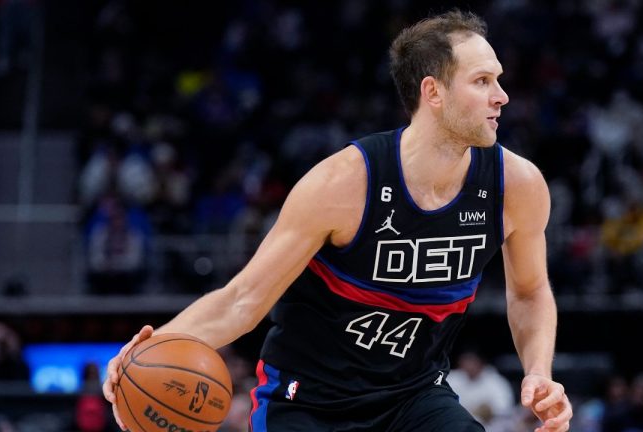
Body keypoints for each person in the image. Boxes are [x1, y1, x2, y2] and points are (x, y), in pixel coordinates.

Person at [103, 10, 572, 431]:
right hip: (307, 402)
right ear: (433, 91)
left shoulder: (518, 186)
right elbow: (242, 300)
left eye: (498, 80)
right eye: (482, 81)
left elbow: (530, 292)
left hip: (413, 396)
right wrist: (147, 350)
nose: (502, 96)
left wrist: (538, 372)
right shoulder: (343, 184)